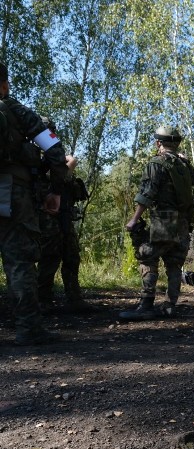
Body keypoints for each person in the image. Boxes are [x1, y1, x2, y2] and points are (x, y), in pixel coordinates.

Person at [0, 62, 69, 344]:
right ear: (4, 84)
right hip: (10, 192)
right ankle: (29, 329)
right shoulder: (16, 110)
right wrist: (54, 190)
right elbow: (53, 148)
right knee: (19, 261)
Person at [119, 125, 194, 320]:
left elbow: (146, 194)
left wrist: (133, 220)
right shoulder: (184, 165)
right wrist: (188, 163)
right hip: (183, 222)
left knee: (147, 256)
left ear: (158, 143)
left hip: (164, 221)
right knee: (174, 264)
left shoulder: (156, 164)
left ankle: (146, 304)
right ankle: (169, 305)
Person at [36, 145, 95, 314]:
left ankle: (75, 299)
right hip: (48, 220)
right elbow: (62, 174)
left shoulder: (56, 164)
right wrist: (68, 164)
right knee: (49, 258)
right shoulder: (37, 165)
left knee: (71, 257)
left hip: (65, 217)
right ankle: (43, 300)